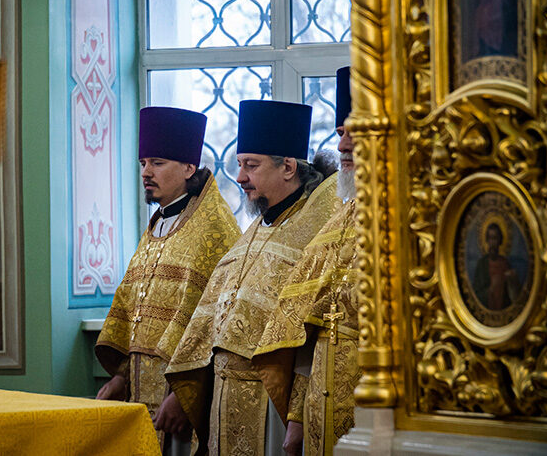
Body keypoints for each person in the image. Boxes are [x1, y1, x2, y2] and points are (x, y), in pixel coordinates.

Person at [165, 99, 340, 455]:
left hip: (272, 400)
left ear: (288, 166)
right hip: (224, 397)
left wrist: (298, 417)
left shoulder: (316, 228)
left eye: (251, 165)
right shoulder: (260, 226)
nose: (240, 177)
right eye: (240, 164)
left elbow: (313, 332)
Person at [95, 106, 241, 452]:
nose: (146, 172)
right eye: (143, 163)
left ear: (189, 168)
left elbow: (215, 323)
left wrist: (183, 395)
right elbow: (133, 305)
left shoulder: (215, 228)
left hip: (181, 395)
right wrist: (120, 375)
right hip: (138, 386)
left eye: (158, 163)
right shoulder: (157, 223)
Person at [252, 66, 360, 456]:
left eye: (355, 134)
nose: (343, 146)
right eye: (340, 134)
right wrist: (297, 417)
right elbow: (304, 334)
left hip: (373, 413)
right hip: (318, 405)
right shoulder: (340, 218)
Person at [473, 222, 520, 310]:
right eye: (490, 238)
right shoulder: (482, 264)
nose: (492, 243)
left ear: (500, 241)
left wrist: (513, 281)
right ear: (486, 240)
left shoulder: (505, 263)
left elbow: (513, 296)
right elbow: (476, 295)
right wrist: (491, 289)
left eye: (495, 238)